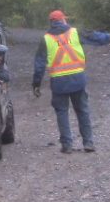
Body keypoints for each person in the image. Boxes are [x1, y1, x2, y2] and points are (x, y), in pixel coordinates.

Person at [32, 9, 95, 153]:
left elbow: (39, 65)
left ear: (51, 22)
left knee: (62, 112)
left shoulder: (46, 39)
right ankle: (88, 143)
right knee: (82, 111)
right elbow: (95, 37)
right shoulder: (75, 32)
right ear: (63, 20)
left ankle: (67, 145)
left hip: (59, 83)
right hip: (78, 79)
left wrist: (36, 84)